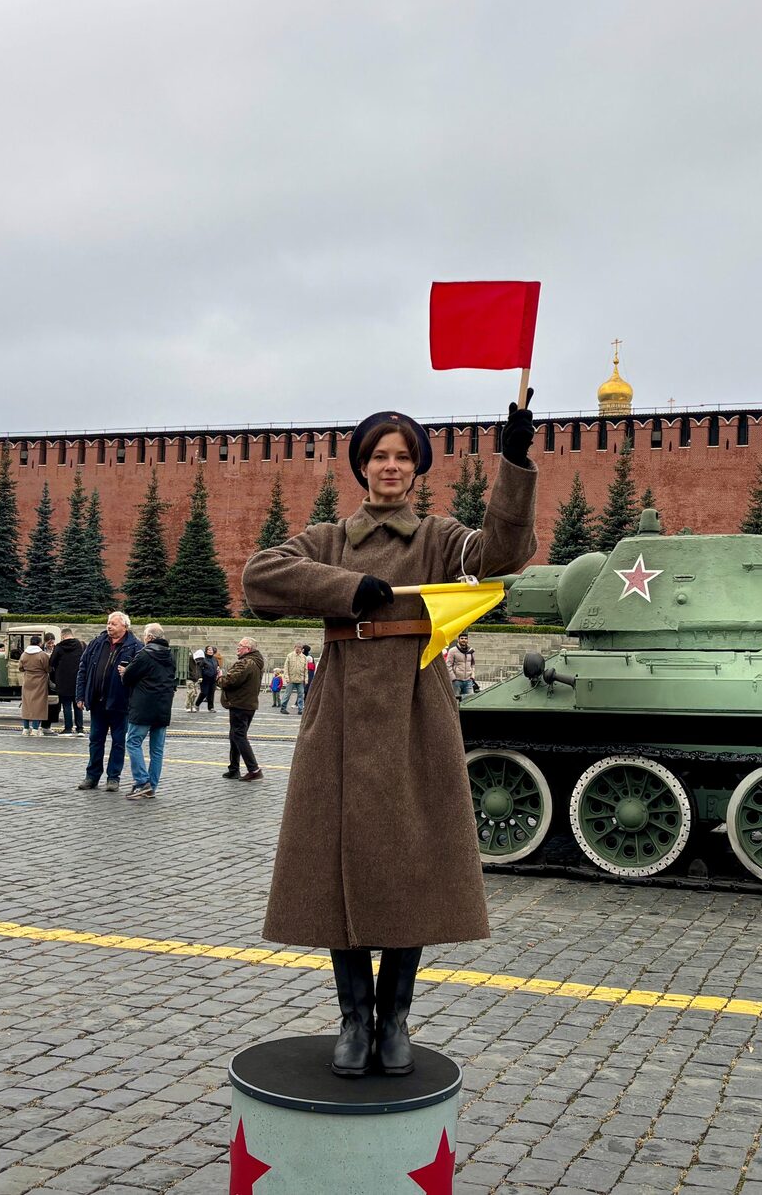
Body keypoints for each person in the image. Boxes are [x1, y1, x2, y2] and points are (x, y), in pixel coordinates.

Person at [242, 396, 537, 1077]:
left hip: (416, 711)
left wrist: (515, 463)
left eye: (404, 457)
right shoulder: (326, 538)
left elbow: (502, 554)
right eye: (380, 456)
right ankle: (353, 1019)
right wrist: (351, 588)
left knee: (411, 866)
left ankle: (396, 1017)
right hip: (340, 711)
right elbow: (260, 577)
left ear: (419, 469)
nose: (391, 467)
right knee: (333, 867)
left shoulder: (438, 537)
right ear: (361, 467)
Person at [74, 611, 142, 789]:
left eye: (113, 623)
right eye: (108, 623)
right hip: (97, 701)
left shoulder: (135, 647)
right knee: (95, 740)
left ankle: (113, 778)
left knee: (118, 742)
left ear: (124, 626)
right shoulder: (97, 643)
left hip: (121, 703)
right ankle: (92, 776)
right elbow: (83, 669)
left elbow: (140, 676)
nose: (109, 626)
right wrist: (80, 695)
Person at [122, 622, 176, 799]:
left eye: (145, 635)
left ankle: (142, 781)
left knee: (132, 741)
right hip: (163, 707)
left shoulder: (145, 654)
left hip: (144, 706)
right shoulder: (170, 655)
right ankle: (152, 785)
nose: (144, 638)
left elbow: (129, 677)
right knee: (157, 750)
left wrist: (124, 671)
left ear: (150, 637)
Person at [216, 636, 265, 781]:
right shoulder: (256, 662)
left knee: (238, 736)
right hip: (248, 704)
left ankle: (254, 769)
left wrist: (219, 677)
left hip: (240, 704)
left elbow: (229, 681)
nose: (237, 648)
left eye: (240, 646)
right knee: (235, 736)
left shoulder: (245, 663)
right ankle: (234, 768)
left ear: (248, 649)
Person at [48, 627, 85, 735]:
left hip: (63, 681)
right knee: (78, 704)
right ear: (71, 634)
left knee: (66, 705)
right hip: (78, 680)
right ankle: (80, 728)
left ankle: (68, 728)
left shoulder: (59, 647)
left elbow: (52, 662)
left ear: (63, 636)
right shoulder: (81, 645)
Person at [19, 637, 50, 736]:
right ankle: (35, 729)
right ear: (40, 643)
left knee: (27, 704)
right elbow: (48, 668)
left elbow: (21, 668)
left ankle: (26, 728)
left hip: (27, 680)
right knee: (38, 704)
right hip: (40, 681)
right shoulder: (42, 655)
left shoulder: (24, 654)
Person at [446, 634, 477, 698]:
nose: (464, 640)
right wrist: (453, 678)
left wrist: (472, 676)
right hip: (457, 681)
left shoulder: (471, 651)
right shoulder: (452, 650)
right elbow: (448, 665)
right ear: (458, 640)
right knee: (455, 699)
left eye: (465, 639)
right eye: (462, 638)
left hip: (468, 680)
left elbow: (473, 664)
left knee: (469, 699)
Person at [281, 644, 309, 714]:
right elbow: (286, 667)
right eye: (296, 647)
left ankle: (300, 709)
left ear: (302, 649)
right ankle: (283, 708)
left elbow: (306, 669)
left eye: (299, 647)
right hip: (291, 679)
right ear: (294, 648)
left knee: (301, 695)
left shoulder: (304, 657)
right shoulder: (289, 656)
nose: (297, 649)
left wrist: (306, 679)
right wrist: (286, 677)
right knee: (287, 694)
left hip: (300, 679)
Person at [194, 644, 220, 711]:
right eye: (209, 650)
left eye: (211, 649)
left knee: (211, 693)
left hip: (213, 679)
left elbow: (218, 666)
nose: (210, 651)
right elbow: (199, 668)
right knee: (204, 692)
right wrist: (200, 677)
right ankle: (197, 704)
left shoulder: (215, 659)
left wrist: (218, 670)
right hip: (205, 679)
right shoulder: (203, 659)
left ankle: (211, 707)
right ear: (206, 651)